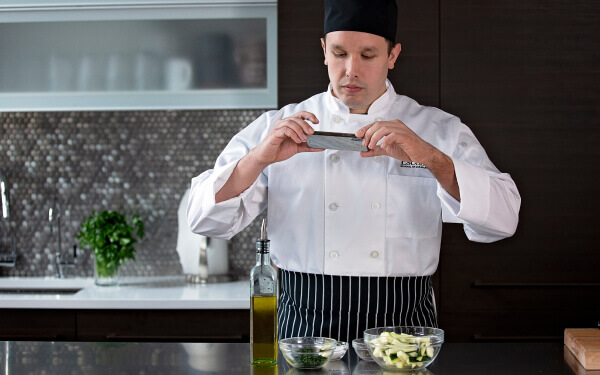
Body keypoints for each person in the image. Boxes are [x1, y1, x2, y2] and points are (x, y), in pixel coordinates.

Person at [187, 0, 520, 343]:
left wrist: (431, 158)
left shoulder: (437, 129)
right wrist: (257, 159)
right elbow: (202, 218)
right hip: (305, 325)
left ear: (393, 55)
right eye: (340, 53)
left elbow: (505, 218)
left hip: (403, 325)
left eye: (368, 55)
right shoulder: (278, 127)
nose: (351, 70)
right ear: (324, 51)